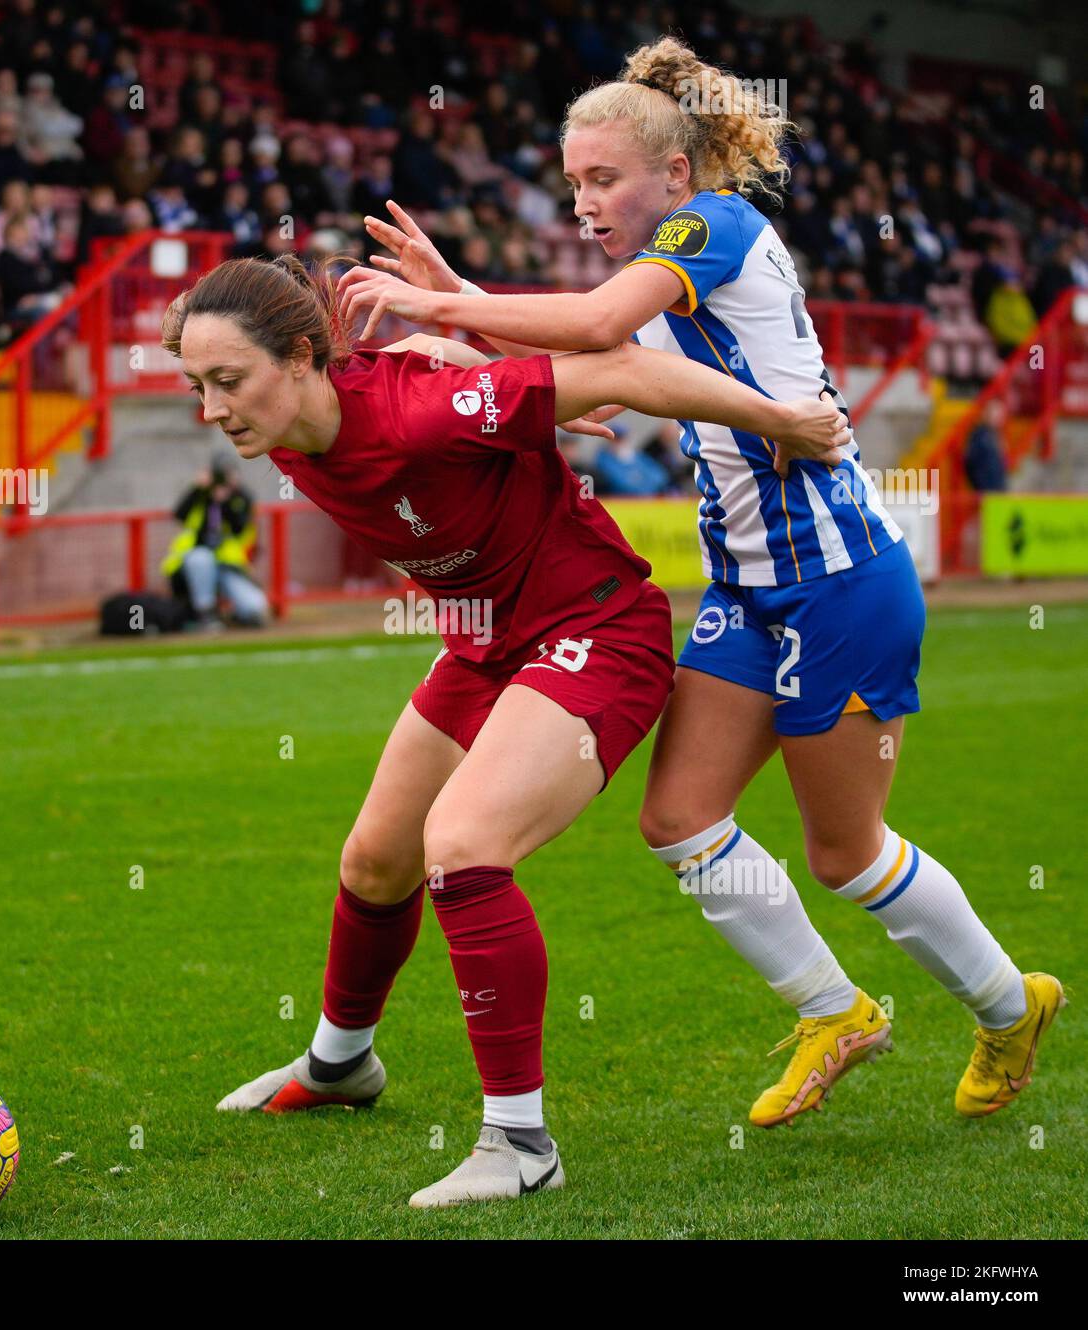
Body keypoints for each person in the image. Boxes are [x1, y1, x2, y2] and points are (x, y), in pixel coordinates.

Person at [337, 34, 1064, 1130]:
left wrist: (444, 309)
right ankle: (836, 1011)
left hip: (838, 583)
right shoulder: (674, 263)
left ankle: (1011, 1006)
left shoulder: (712, 226)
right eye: (572, 181)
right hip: (746, 586)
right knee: (678, 818)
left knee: (842, 851)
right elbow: (591, 356)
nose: (583, 201)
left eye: (603, 179)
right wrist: (470, 298)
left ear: (674, 176)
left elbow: (590, 330)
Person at [168, 254, 846, 1207]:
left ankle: (520, 1142)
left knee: (465, 847)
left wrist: (787, 419)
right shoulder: (294, 422)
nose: (212, 409)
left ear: (299, 357)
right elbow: (459, 385)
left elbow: (615, 365)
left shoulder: (416, 409)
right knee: (375, 863)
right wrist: (469, 345)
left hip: (597, 630)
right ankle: (339, 1064)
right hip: (487, 645)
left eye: (227, 382)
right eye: (197, 386)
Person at [162, 455, 269, 629]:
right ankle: (205, 612)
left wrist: (227, 500)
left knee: (254, 607)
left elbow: (239, 527)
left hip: (226, 565)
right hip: (194, 562)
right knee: (202, 558)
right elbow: (179, 514)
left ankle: (237, 615)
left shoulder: (239, 498)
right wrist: (198, 488)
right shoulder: (201, 495)